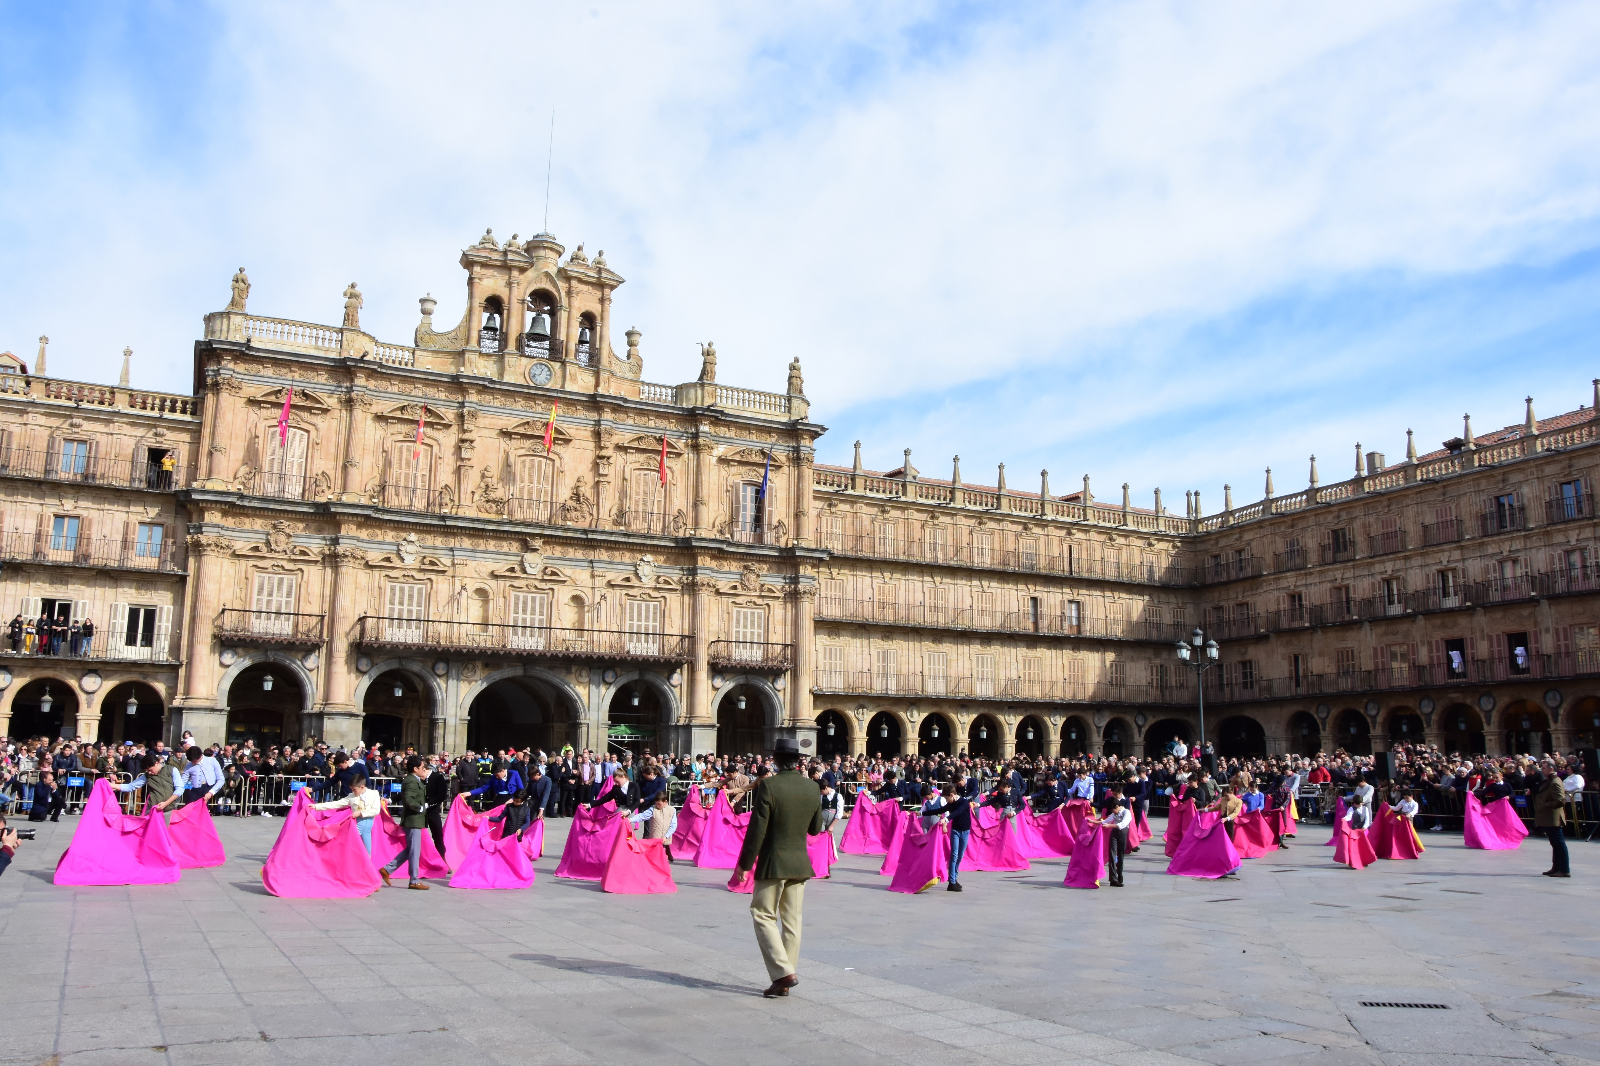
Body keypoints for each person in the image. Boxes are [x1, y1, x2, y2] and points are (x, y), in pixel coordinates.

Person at [735, 739, 825, 999]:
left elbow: (757, 828)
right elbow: (815, 829)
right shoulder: (812, 787)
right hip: (799, 863)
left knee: (762, 913)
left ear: (775, 760)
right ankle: (784, 980)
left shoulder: (769, 786)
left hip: (774, 861)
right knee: (792, 922)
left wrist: (745, 863)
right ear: (798, 761)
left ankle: (783, 972)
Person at [380, 755, 430, 890]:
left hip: (415, 819)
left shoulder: (413, 780)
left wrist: (391, 800)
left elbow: (405, 795)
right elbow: (408, 799)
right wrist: (419, 807)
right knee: (414, 851)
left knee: (411, 850)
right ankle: (414, 879)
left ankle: (387, 869)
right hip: (413, 819)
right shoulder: (411, 781)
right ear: (415, 768)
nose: (423, 770)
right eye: (422, 768)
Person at [313, 772, 382, 852]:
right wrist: (316, 806)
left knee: (363, 847)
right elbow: (336, 804)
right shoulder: (351, 796)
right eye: (352, 789)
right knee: (359, 847)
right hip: (356, 824)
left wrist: (360, 813)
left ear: (362, 787)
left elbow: (376, 810)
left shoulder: (374, 794)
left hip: (366, 823)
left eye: (354, 789)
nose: (353, 791)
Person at [1534, 762, 1570, 878]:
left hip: (1553, 817)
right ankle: (1556, 867)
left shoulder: (1555, 782)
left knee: (1559, 843)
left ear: (1551, 769)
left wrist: (1546, 805)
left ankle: (1564, 869)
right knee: (1554, 843)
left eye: (1544, 768)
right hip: (1548, 817)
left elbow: (1561, 800)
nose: (1541, 770)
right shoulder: (1549, 780)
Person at [628, 788, 678, 861]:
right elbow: (642, 816)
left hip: (665, 838)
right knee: (655, 857)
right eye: (656, 803)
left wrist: (666, 836)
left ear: (665, 802)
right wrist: (631, 820)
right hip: (655, 838)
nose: (657, 805)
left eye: (659, 804)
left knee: (662, 857)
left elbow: (673, 825)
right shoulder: (653, 809)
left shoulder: (672, 810)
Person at [1100, 786, 1132, 887]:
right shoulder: (1114, 814)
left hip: (1122, 832)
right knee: (1112, 854)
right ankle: (1113, 878)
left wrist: (1109, 826)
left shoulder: (1127, 812)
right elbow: (1105, 821)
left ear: (1117, 807)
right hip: (1114, 832)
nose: (1112, 812)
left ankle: (1120, 874)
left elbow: (1122, 825)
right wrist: (1093, 822)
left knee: (1121, 854)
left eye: (1112, 810)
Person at [424, 757, 450, 858]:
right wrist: (391, 800)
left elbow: (442, 795)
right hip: (420, 811)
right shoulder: (419, 779)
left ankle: (442, 859)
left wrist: (429, 803)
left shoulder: (438, 777)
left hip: (433, 810)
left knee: (438, 835)